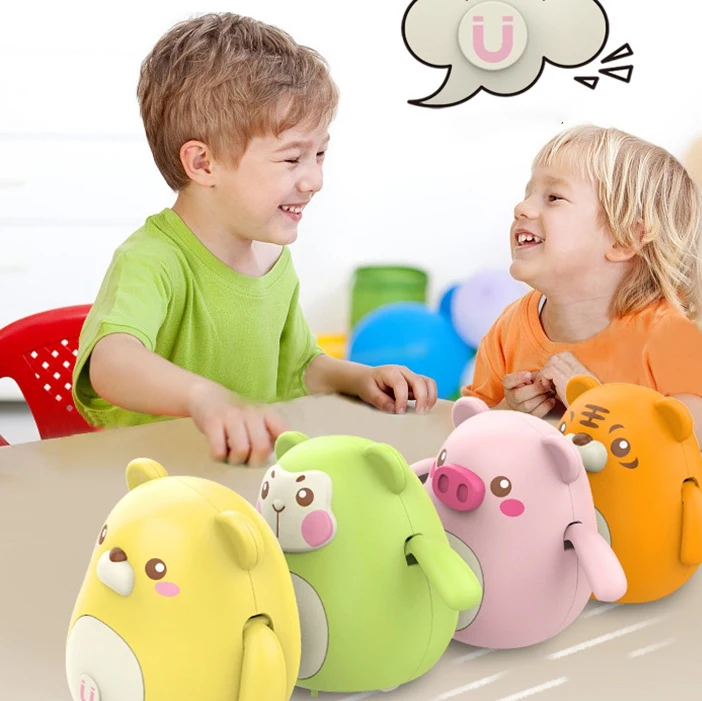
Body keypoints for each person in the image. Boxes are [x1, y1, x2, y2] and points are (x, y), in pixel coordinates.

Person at [72, 13, 437, 467]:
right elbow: (110, 363)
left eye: (320, 153)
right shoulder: (152, 259)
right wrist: (204, 397)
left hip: (245, 477)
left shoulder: (272, 258)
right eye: (292, 159)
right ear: (203, 164)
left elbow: (298, 366)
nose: (315, 180)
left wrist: (358, 378)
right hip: (155, 487)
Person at [461, 124, 702, 454]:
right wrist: (507, 411)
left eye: (553, 197)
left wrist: (603, 402)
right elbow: (469, 427)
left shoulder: (661, 332)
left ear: (625, 240)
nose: (522, 207)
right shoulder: (510, 328)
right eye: (528, 193)